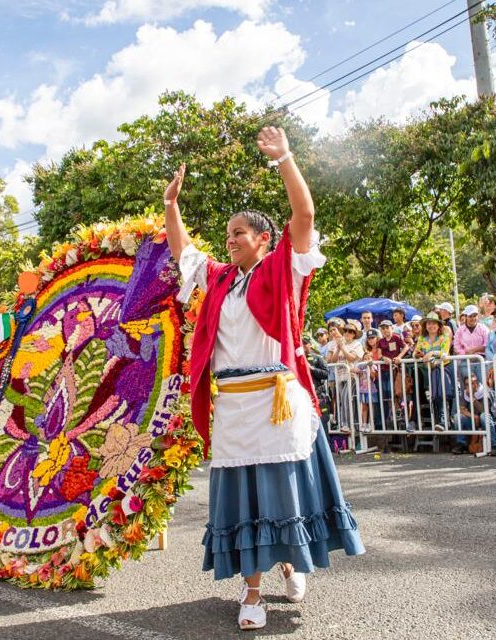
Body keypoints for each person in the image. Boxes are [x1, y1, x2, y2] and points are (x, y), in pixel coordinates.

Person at [163, 126, 363, 630]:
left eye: (238, 234)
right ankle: (251, 590)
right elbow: (183, 252)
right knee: (244, 498)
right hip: (232, 403)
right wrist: (171, 207)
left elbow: (305, 215)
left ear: (263, 239)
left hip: (276, 400)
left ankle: (291, 562)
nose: (229, 241)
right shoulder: (220, 280)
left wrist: (285, 159)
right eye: (227, 235)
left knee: (280, 494)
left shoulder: (283, 270)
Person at [455, 373, 496, 456]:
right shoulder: (465, 393)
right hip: (473, 420)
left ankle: (494, 445)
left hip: (485, 421)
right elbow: (462, 409)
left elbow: (483, 410)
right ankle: (461, 444)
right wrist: (474, 416)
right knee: (457, 417)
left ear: (477, 383)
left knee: (484, 416)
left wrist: (472, 397)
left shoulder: (484, 391)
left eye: (472, 383)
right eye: (467, 384)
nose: (469, 386)